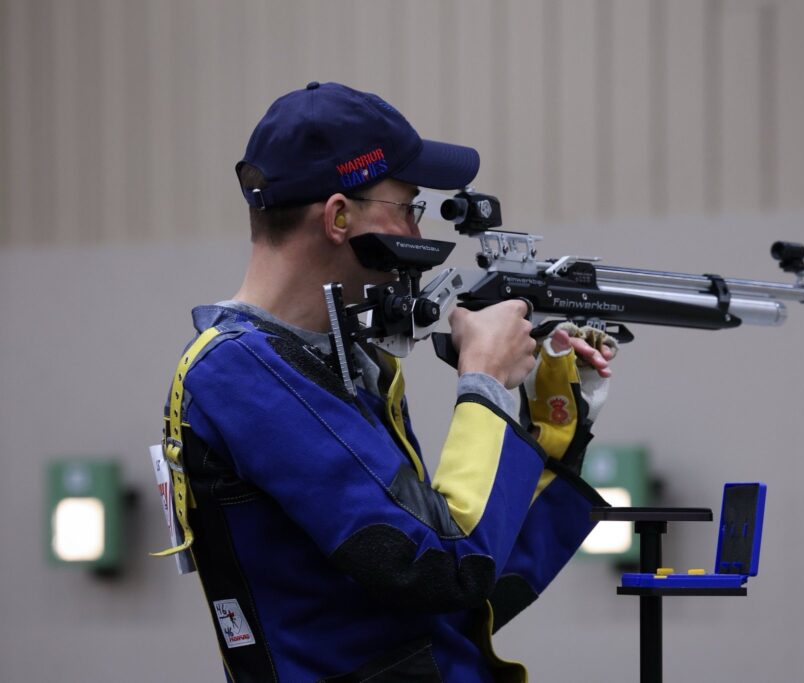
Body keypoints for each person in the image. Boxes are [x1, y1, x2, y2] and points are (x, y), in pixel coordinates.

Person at [162, 81, 616, 682]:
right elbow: (443, 566)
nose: (419, 234)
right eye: (406, 207)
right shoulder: (241, 373)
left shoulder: (341, 365)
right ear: (339, 216)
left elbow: (464, 596)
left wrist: (555, 411)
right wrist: (482, 379)